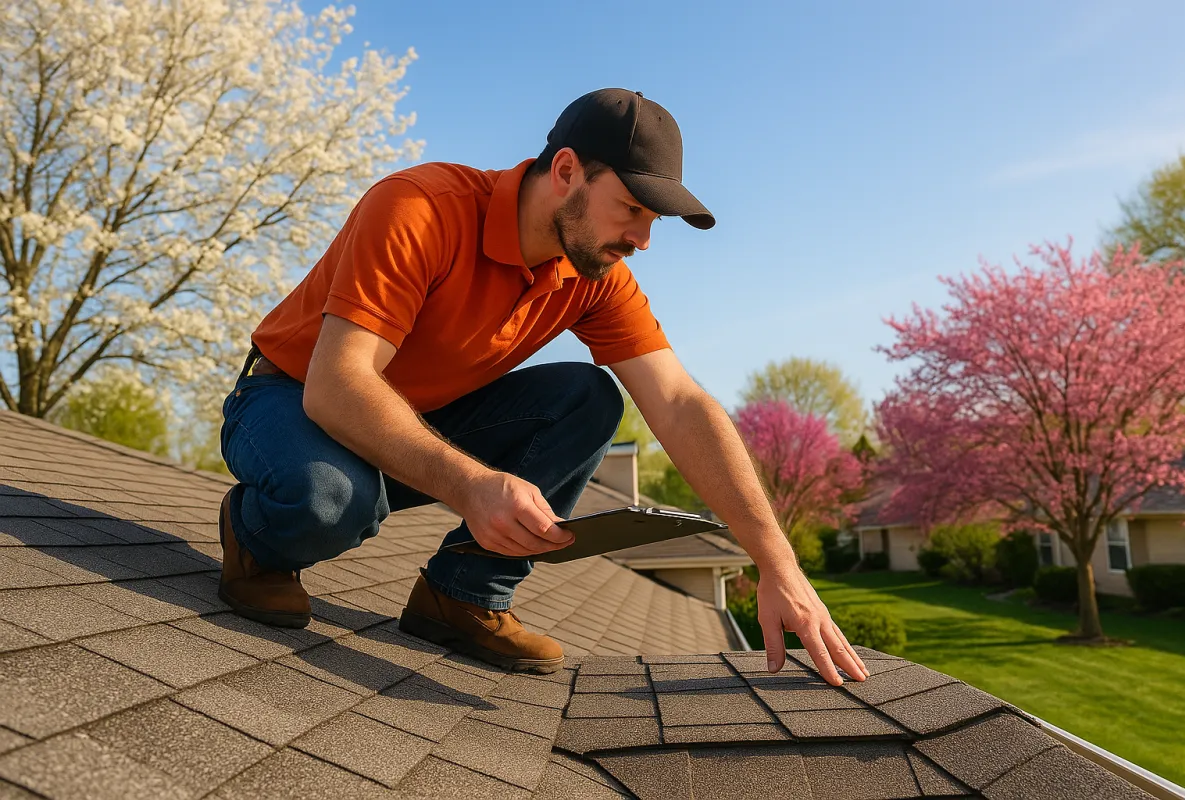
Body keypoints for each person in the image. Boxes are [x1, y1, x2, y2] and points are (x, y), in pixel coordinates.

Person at [217, 87, 869, 684]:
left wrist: (777, 564)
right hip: (288, 401)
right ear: (565, 173)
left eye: (653, 221)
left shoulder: (594, 274)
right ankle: (256, 542)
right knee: (328, 499)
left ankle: (462, 596)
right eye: (632, 210)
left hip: (415, 423)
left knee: (588, 398)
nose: (642, 240)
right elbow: (336, 387)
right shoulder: (421, 209)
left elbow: (678, 402)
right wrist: (472, 485)